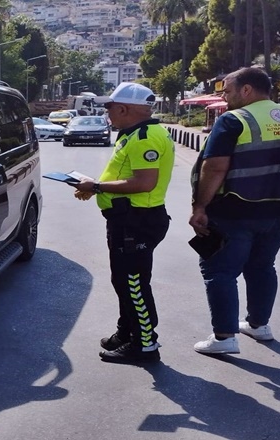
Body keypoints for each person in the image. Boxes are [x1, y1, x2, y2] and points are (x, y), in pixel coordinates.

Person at [189, 67, 280, 355]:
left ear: (246, 90)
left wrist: (200, 206)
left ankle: (224, 337)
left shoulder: (233, 120)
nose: (224, 96)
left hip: (237, 210)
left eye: (227, 90)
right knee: (262, 265)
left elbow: (215, 166)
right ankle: (259, 325)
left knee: (220, 270)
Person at [72, 82, 175, 364]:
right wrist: (96, 187)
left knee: (134, 283)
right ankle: (128, 331)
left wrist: (98, 186)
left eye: (110, 108)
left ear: (124, 108)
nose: (108, 113)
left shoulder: (144, 137)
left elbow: (144, 182)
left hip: (137, 220)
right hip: (127, 219)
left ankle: (145, 344)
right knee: (123, 280)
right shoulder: (135, 134)